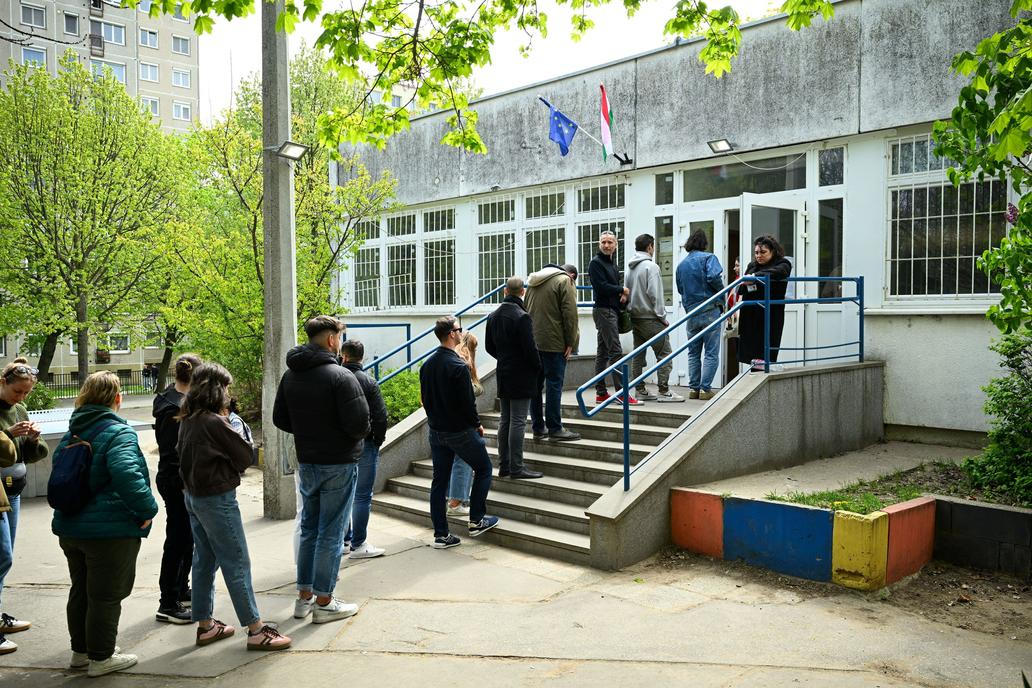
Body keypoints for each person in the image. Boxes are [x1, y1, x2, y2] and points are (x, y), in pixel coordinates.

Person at [52, 371, 158, 677]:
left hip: (71, 527)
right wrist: (147, 508)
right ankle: (101, 657)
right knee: (106, 595)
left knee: (81, 590)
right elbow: (126, 473)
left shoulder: (73, 431)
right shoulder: (118, 432)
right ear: (117, 398)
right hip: (108, 530)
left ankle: (81, 653)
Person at [179, 363, 291, 651]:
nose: (228, 393)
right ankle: (255, 629)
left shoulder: (189, 418)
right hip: (217, 499)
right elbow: (244, 457)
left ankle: (205, 626)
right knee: (236, 561)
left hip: (194, 496)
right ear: (216, 389)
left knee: (204, 560)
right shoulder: (215, 422)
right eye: (226, 387)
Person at [273, 315, 369, 624]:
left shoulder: (291, 376)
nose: (340, 342)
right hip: (338, 463)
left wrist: (309, 431)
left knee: (310, 528)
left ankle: (304, 598)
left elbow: (280, 418)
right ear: (331, 339)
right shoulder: (341, 377)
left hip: (309, 461)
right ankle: (325, 601)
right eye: (339, 336)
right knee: (331, 532)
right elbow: (359, 425)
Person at [420, 316, 500, 549]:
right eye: (459, 329)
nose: (460, 332)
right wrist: (477, 425)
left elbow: (426, 400)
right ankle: (476, 519)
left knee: (439, 481)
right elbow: (467, 404)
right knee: (484, 468)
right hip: (459, 431)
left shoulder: (428, 365)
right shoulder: (457, 366)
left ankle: (441, 535)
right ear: (452, 334)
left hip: (437, 431)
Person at [0, 358, 48, 652]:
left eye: (27, 394)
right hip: (0, 494)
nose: (22, 398)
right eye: (18, 392)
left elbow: (27, 456)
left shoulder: (18, 409)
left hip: (13, 491)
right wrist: (9, 435)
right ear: (3, 382)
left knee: (5, 559)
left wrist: (32, 438)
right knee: (2, 557)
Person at [152, 353, 201, 625]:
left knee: (186, 538)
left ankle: (180, 589)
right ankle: (167, 602)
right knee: (177, 540)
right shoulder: (174, 408)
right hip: (176, 481)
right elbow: (173, 453)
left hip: (175, 478)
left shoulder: (168, 397)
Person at [486, 276, 544, 479]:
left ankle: (505, 466)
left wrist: (504, 358)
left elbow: (488, 346)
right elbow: (530, 349)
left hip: (503, 372)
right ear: (523, 292)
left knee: (505, 420)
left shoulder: (492, 316)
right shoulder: (522, 316)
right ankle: (517, 467)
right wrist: (537, 367)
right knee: (518, 420)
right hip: (521, 374)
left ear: (504, 291)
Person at [339, 339, 388, 559]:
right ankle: (359, 543)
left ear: (344, 356)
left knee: (343, 494)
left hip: (341, 445)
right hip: (366, 443)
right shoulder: (369, 382)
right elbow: (380, 415)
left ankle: (345, 540)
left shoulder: (336, 379)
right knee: (362, 495)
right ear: (362, 357)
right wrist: (377, 440)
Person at [524, 263, 581, 441]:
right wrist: (571, 342)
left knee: (535, 387)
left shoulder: (532, 282)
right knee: (554, 385)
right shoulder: (565, 281)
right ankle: (555, 428)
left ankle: (538, 427)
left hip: (534, 342)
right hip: (555, 343)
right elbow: (570, 314)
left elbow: (525, 310)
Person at [626, 234, 684, 403]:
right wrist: (662, 316)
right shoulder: (651, 267)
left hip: (635, 317)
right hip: (651, 318)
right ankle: (664, 391)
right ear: (650, 247)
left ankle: (640, 389)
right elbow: (655, 294)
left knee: (638, 354)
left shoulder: (630, 267)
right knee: (664, 354)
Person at [588, 230, 640, 405]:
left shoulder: (612, 264)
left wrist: (622, 297)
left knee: (603, 353)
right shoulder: (595, 263)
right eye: (603, 242)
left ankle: (601, 393)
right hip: (604, 311)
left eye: (610, 242)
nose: (606, 245)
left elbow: (612, 286)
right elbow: (601, 287)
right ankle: (622, 394)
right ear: (599, 244)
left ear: (616, 245)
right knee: (616, 353)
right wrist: (621, 290)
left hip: (612, 310)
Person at [675, 229, 725, 400]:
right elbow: (713, 277)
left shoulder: (681, 266)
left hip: (692, 313)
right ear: (704, 243)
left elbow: (680, 289)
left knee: (693, 353)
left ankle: (693, 389)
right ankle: (705, 389)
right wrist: (722, 294)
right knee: (711, 352)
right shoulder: (709, 258)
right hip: (710, 309)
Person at [738, 235, 793, 367]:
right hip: (751, 314)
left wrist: (755, 278)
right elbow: (741, 289)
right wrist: (751, 280)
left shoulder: (783, 264)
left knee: (766, 351)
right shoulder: (752, 266)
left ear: (773, 251)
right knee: (751, 353)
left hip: (770, 314)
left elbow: (779, 272)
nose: (758, 256)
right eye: (756, 252)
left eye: (763, 252)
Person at [445, 332, 482, 515]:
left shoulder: (450, 358)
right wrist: (476, 423)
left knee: (454, 460)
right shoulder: (464, 360)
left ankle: (451, 498)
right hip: (462, 423)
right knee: (464, 460)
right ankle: (456, 502)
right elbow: (468, 397)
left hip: (447, 421)